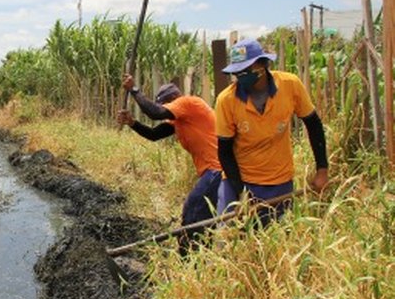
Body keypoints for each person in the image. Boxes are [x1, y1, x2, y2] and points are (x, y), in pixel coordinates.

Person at [215, 38, 329, 224]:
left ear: (263, 65)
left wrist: (322, 170)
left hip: (279, 182)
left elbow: (313, 125)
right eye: (238, 73)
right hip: (239, 179)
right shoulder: (226, 100)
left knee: (277, 237)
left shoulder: (290, 85)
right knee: (228, 237)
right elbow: (224, 151)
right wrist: (241, 193)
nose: (242, 76)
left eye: (247, 70)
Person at [117, 74, 222, 254]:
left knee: (193, 210)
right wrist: (132, 123)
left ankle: (189, 260)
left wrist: (134, 89)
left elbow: (155, 112)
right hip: (211, 172)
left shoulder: (189, 103)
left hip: (218, 170)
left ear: (173, 100)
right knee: (201, 214)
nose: (166, 110)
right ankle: (199, 255)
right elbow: (154, 134)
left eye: (167, 106)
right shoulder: (179, 120)